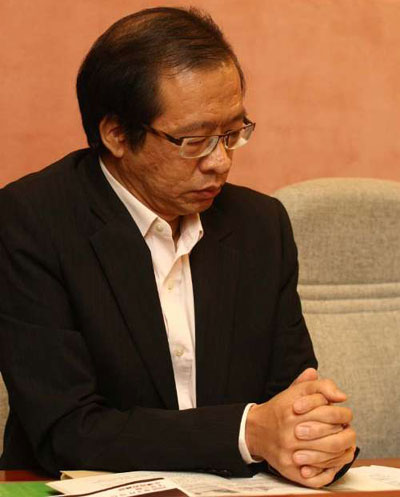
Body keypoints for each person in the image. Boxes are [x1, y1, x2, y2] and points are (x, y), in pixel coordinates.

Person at [0, 7, 356, 488]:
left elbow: (291, 397)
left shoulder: (259, 225)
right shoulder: (32, 221)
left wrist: (315, 438)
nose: (220, 162)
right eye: (195, 140)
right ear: (116, 134)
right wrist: (247, 433)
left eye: (232, 133)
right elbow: (66, 430)